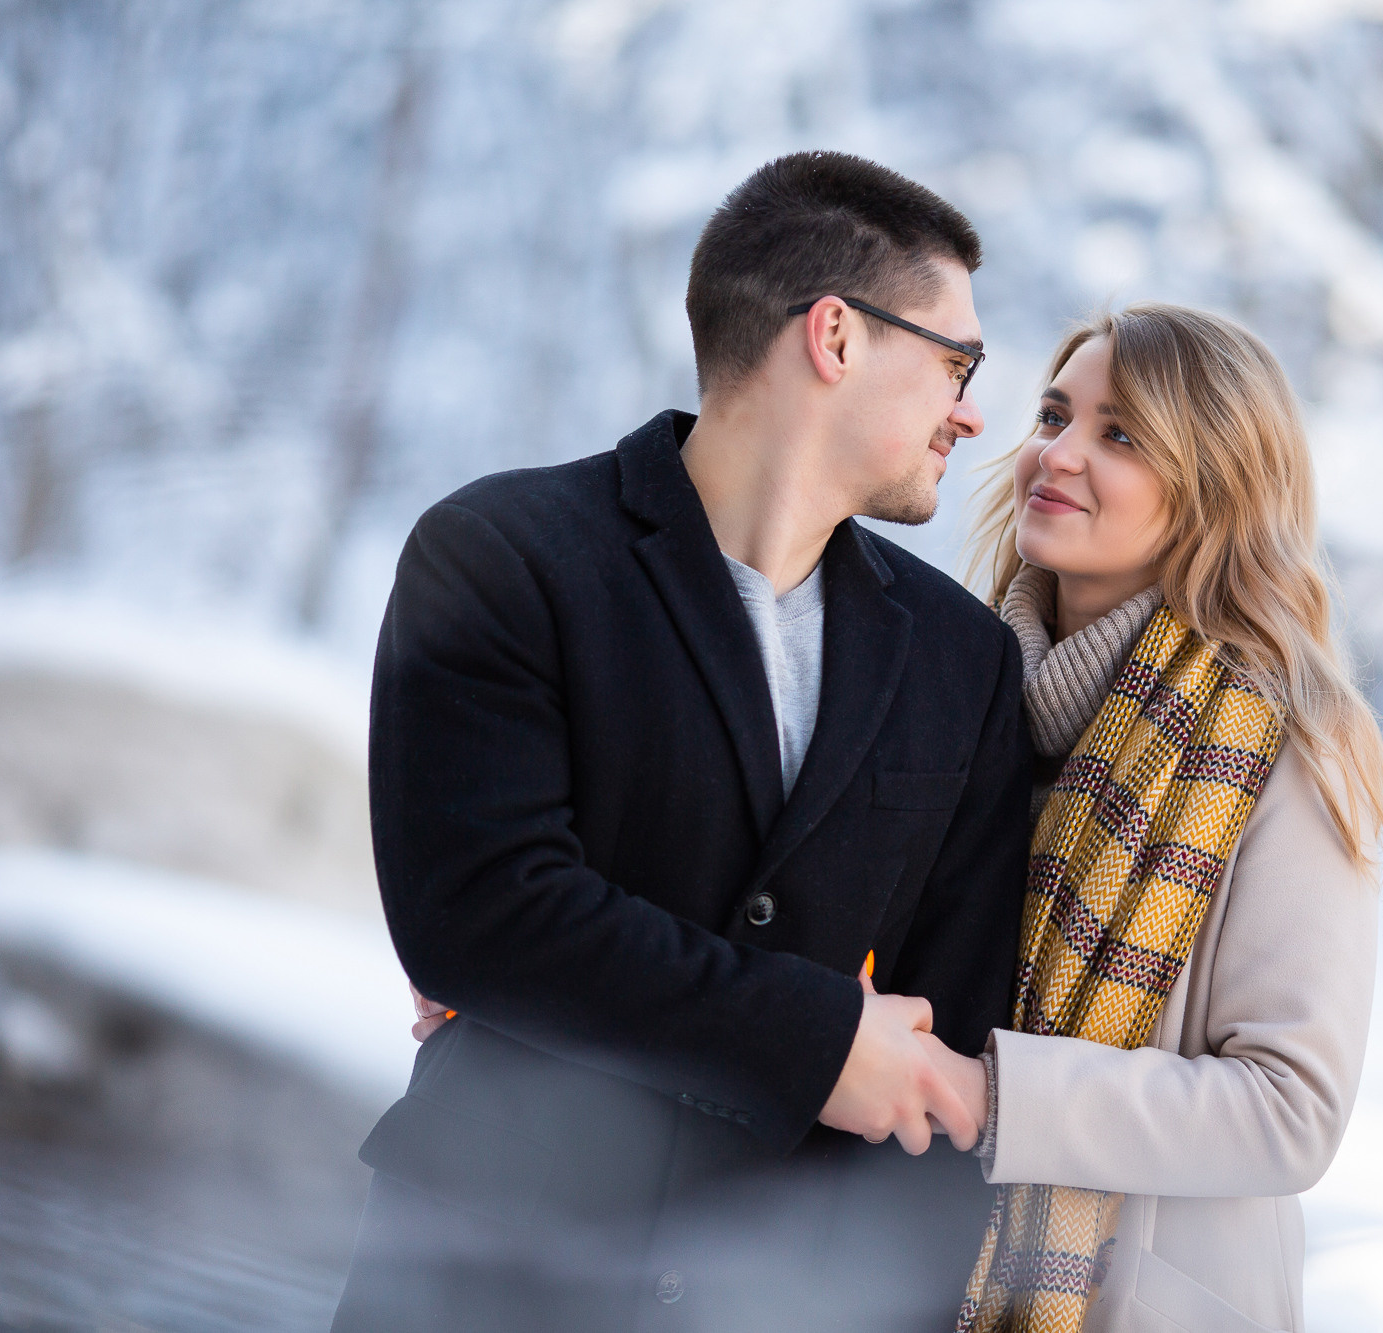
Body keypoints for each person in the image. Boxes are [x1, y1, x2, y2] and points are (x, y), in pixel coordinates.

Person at [330, 151, 1033, 1332]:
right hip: (474, 1284)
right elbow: (478, 915)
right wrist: (817, 1041)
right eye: (955, 364)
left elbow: (941, 1055)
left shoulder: (964, 661)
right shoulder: (500, 555)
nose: (969, 410)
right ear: (835, 336)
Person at [922, 304, 1383, 1333]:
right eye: (1054, 416)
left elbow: (1289, 1109)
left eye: (1122, 434)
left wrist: (990, 1093)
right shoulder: (954, 692)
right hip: (916, 1265)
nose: (1058, 454)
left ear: (1217, 489)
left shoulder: (1285, 742)